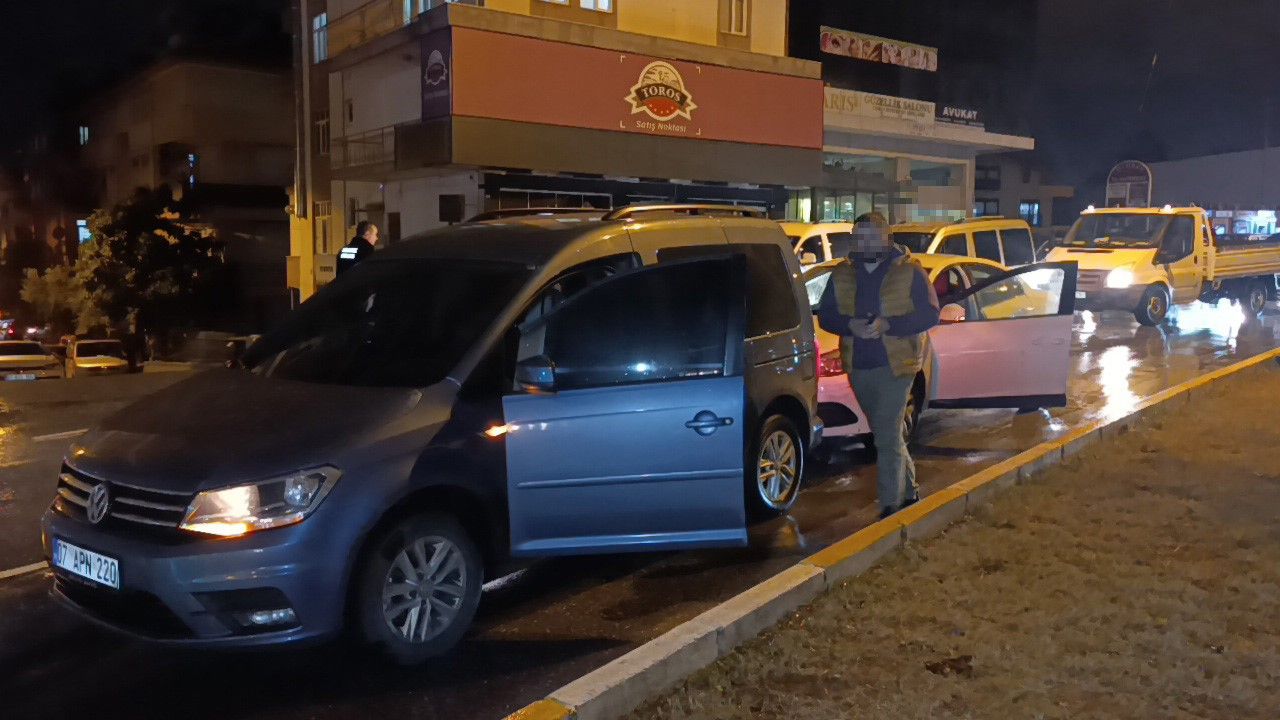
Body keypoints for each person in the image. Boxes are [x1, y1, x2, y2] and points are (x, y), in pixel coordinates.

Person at [817, 212, 940, 519]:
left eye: (873, 236)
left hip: (897, 366)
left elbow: (929, 314)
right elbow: (826, 315)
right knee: (888, 433)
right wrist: (850, 325)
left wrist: (888, 324)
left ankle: (890, 510)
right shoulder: (842, 274)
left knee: (885, 435)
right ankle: (909, 491)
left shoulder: (910, 271)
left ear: (888, 238)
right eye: (860, 237)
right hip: (858, 366)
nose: (866, 243)